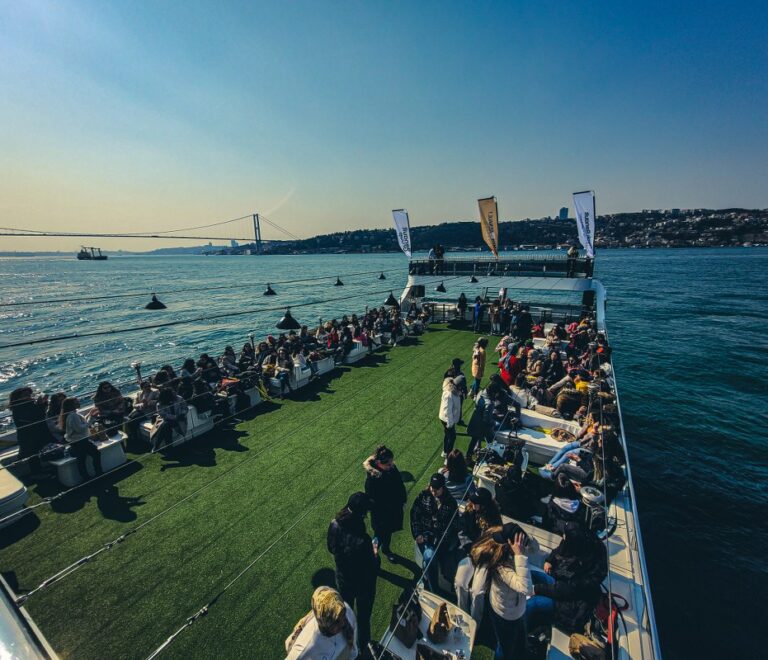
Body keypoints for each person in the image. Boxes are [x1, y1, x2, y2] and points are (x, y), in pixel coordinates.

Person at [527, 522, 608, 634]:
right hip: (560, 583)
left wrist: (537, 589)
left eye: (565, 536)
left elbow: (564, 590)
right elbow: (559, 550)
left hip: (571, 604)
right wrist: (549, 560)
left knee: (533, 604)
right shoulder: (574, 539)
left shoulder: (588, 570)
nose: (563, 536)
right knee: (532, 574)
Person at [470, 523, 533, 659]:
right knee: (505, 647)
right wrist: (520, 555)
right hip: (505, 614)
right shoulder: (501, 567)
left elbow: (535, 549)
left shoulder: (511, 554)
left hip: (516, 610)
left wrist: (526, 543)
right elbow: (526, 588)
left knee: (519, 638)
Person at [326, 492, 378, 651]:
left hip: (343, 581)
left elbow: (331, 548)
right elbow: (373, 567)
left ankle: (348, 649)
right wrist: (375, 553)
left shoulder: (334, 524)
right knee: (363, 620)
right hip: (363, 586)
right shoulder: (363, 540)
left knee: (345, 619)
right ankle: (364, 649)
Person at [410, 473, 459, 592]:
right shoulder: (423, 495)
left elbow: (454, 526)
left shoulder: (451, 503)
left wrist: (440, 538)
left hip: (442, 540)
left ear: (443, 487)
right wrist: (417, 534)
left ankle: (428, 583)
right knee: (429, 556)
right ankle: (434, 590)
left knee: (432, 559)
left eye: (437, 488)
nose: (433, 491)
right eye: (432, 487)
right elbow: (414, 514)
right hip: (424, 536)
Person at [285, 586, 358, 660]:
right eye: (336, 622)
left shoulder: (346, 610)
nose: (343, 623)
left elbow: (353, 647)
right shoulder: (304, 649)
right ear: (324, 621)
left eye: (343, 616)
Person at [363, 445, 407, 562]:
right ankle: (372, 556)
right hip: (381, 515)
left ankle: (386, 550)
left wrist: (403, 500)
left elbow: (399, 483)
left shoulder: (391, 468)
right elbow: (371, 500)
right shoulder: (372, 479)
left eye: (392, 463)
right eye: (388, 464)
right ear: (378, 463)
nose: (392, 466)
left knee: (388, 533)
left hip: (393, 510)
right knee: (379, 535)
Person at [9, 387, 54, 475]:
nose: (29, 396)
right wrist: (41, 404)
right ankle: (37, 474)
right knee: (32, 455)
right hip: (28, 436)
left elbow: (39, 414)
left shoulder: (29, 404)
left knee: (35, 453)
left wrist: (44, 403)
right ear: (18, 397)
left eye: (29, 394)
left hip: (36, 433)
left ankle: (40, 471)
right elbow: (34, 417)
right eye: (26, 395)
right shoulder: (18, 407)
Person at [59, 396, 102, 481]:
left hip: (77, 441)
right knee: (94, 454)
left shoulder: (72, 414)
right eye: (76, 402)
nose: (79, 402)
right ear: (72, 405)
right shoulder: (73, 415)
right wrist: (92, 419)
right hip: (80, 441)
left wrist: (90, 415)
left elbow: (80, 424)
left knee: (82, 459)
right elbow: (80, 428)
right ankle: (98, 473)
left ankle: (87, 477)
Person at [457, 486, 502, 556]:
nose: (473, 504)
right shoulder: (469, 511)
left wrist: (478, 550)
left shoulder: (494, 520)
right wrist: (468, 545)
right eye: (473, 502)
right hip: (467, 546)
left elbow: (493, 541)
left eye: (476, 503)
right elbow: (461, 530)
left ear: (484, 505)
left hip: (483, 551)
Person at [438, 371, 462, 457]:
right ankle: (448, 456)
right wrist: (450, 423)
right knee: (452, 437)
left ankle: (445, 452)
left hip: (448, 418)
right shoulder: (449, 394)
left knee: (448, 435)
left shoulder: (454, 391)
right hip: (446, 419)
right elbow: (447, 411)